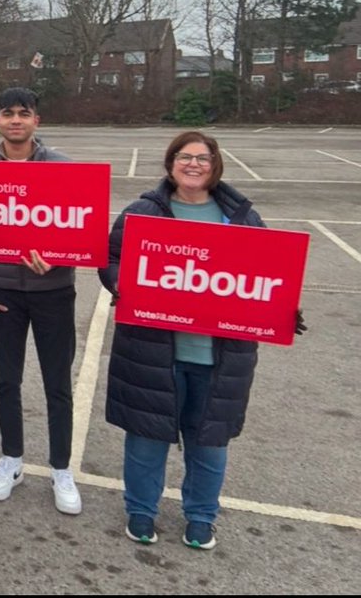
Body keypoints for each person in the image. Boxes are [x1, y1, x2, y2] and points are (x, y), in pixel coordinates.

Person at [99, 130, 306, 550]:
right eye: (185, 156)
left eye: (203, 157)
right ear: (170, 163)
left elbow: (270, 272)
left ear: (216, 165)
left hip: (220, 356)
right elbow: (112, 256)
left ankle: (201, 515)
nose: (193, 164)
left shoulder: (241, 216)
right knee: (146, 437)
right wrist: (126, 284)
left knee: (209, 444)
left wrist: (282, 308)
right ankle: (141, 510)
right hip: (154, 352)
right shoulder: (144, 212)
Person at [0, 87, 83, 515]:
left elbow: (79, 229)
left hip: (53, 292)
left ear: (36, 120)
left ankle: (61, 467)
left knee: (57, 384)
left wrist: (57, 259)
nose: (16, 120)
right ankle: (12, 459)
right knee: (8, 381)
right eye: (8, 113)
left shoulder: (63, 168)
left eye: (24, 113)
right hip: (3, 294)